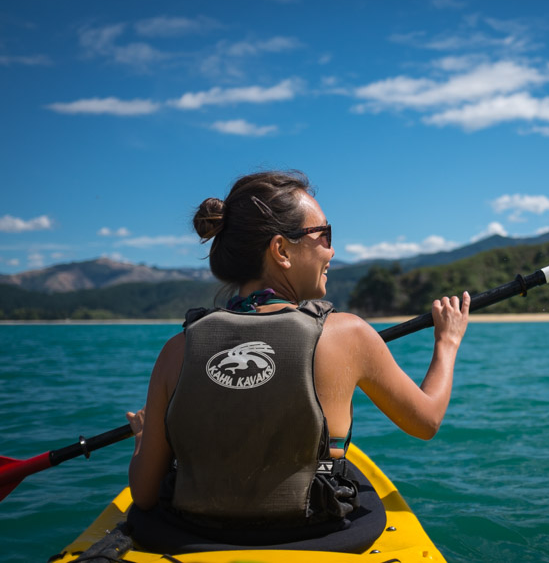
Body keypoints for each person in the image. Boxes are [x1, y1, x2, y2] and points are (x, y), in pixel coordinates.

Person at [125, 169, 470, 550]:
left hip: (196, 536)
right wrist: (448, 341)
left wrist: (144, 439)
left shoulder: (177, 350)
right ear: (282, 251)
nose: (332, 250)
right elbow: (427, 421)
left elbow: (143, 494)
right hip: (315, 536)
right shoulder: (349, 334)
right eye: (324, 235)